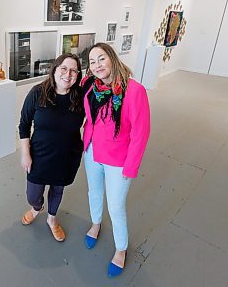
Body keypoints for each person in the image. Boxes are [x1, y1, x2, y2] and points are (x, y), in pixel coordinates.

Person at [81, 42, 150, 277]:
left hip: (118, 160)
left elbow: (141, 133)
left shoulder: (135, 90)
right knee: (94, 193)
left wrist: (131, 167)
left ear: (112, 58)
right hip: (91, 152)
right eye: (92, 62)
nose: (97, 65)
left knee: (116, 205)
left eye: (101, 58)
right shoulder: (90, 86)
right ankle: (96, 223)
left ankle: (121, 249)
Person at [19, 53, 85, 242]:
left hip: (67, 154)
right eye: (63, 68)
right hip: (39, 155)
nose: (68, 74)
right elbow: (24, 124)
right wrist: (25, 154)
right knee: (33, 194)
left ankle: (52, 219)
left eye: (73, 70)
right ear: (54, 70)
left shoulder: (80, 95)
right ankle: (36, 208)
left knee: (58, 189)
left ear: (78, 75)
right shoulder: (37, 92)